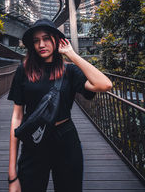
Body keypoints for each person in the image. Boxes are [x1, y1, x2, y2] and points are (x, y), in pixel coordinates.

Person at [7, 18, 112, 192]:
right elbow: (17, 117)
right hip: (34, 139)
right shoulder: (23, 71)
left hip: (66, 140)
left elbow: (105, 84)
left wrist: (71, 54)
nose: (41, 44)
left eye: (47, 38)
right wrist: (12, 174)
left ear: (57, 40)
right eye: (36, 40)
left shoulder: (69, 71)